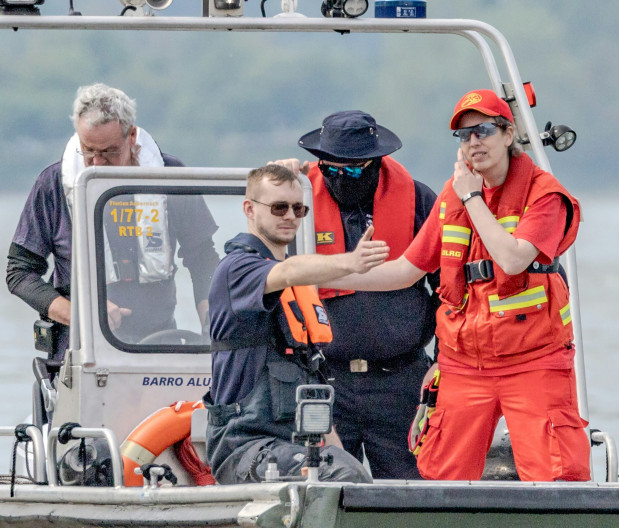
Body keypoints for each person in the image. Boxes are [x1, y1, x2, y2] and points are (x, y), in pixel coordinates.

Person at [325, 88, 589, 482]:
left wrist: (471, 195)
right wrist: (318, 272)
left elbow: (513, 258)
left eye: (482, 131)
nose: (473, 142)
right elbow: (405, 271)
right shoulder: (452, 196)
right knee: (440, 477)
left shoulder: (544, 194)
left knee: (554, 477)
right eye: (464, 136)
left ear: (508, 133)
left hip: (532, 359)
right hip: (464, 362)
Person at [270, 110, 438, 480]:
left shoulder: (419, 200)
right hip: (325, 381)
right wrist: (275, 185)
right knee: (322, 486)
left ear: (377, 163)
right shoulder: (295, 201)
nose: (340, 179)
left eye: (353, 171)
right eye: (329, 170)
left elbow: (450, 286)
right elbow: (259, 265)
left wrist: (445, 362)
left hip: (401, 382)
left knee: (410, 493)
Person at [6, 83, 218, 361]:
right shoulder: (53, 184)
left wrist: (211, 330)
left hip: (159, 345)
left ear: (132, 137)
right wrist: (82, 314)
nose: (97, 163)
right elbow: (19, 273)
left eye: (109, 152)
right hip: (79, 351)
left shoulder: (170, 174)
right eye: (88, 150)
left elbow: (202, 258)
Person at [204, 164, 388, 484]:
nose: (290, 216)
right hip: (245, 446)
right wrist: (350, 262)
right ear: (249, 209)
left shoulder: (293, 296)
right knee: (341, 473)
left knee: (351, 472)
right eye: (278, 207)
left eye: (298, 208)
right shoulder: (238, 271)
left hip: (295, 446)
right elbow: (289, 271)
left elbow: (313, 393)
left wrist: (342, 456)